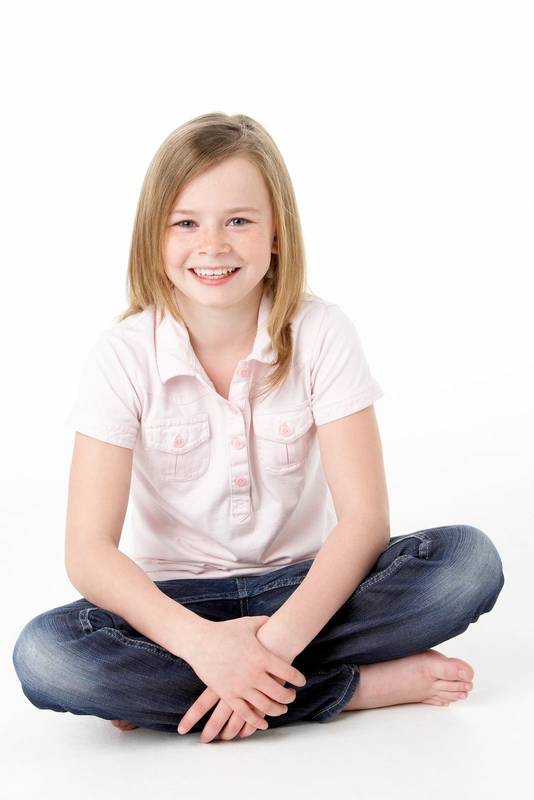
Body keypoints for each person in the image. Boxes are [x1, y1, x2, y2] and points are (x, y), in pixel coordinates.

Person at [11, 112, 505, 744]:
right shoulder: (122, 355)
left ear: (276, 235)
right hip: (177, 608)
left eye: (238, 221)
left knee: (466, 564)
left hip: (306, 593)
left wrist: (267, 645)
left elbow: (364, 521)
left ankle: (177, 690)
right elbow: (89, 551)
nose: (213, 245)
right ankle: (353, 689)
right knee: (46, 656)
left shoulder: (322, 332)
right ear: (153, 237)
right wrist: (203, 646)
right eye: (186, 223)